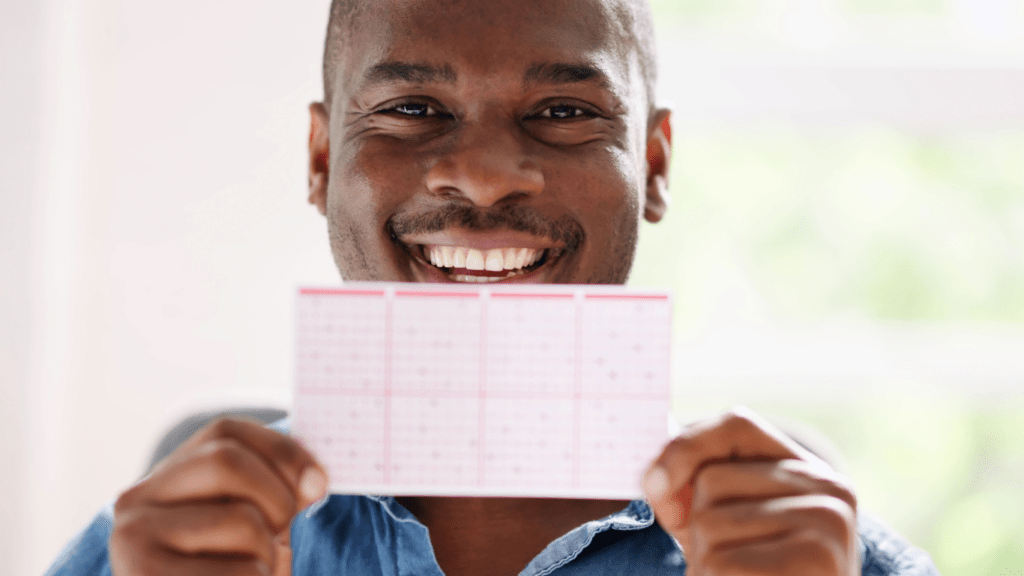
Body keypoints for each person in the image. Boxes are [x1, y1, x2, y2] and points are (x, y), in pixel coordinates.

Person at [48, 0, 940, 574]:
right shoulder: (156, 538)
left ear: (653, 165)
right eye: (411, 110)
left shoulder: (814, 549)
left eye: (563, 114)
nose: (481, 176)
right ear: (323, 161)